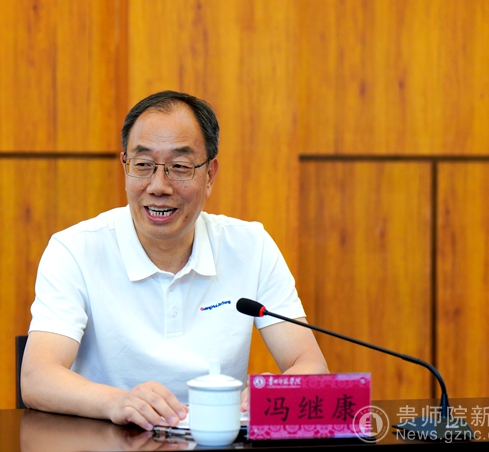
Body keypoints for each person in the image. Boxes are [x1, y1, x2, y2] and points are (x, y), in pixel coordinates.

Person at [21, 90, 328, 431]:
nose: (158, 186)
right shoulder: (75, 249)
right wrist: (118, 402)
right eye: (142, 165)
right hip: (109, 441)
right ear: (125, 166)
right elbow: (37, 377)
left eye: (179, 167)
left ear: (209, 175)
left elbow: (310, 364)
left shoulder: (250, 247)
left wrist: (277, 393)